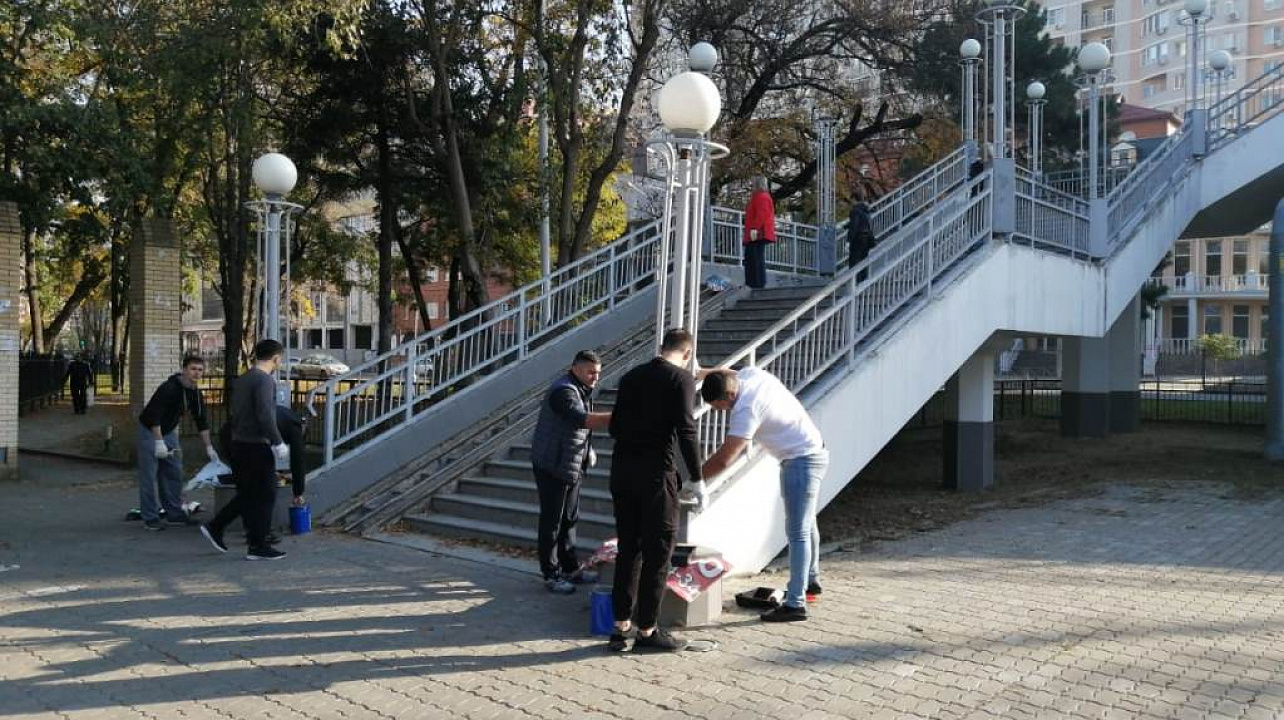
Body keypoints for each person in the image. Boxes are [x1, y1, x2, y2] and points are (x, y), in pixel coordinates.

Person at [699, 366, 827, 622]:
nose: (720, 412)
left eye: (719, 407)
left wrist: (692, 479)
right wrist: (702, 372)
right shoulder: (750, 375)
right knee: (806, 522)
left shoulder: (746, 409)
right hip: (811, 453)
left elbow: (726, 459)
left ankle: (795, 605)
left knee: (797, 530)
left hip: (800, 460)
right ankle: (810, 581)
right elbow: (727, 371)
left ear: (729, 397)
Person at [606, 328, 702, 653]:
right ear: (686, 354)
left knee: (628, 549)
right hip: (655, 476)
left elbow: (615, 426)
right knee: (658, 552)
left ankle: (620, 629)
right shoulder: (682, 380)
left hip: (622, 472)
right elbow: (686, 429)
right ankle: (647, 630)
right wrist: (698, 477)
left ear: (662, 347)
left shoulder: (631, 376)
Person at [530, 350, 612, 594]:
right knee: (552, 522)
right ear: (575, 368)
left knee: (569, 519)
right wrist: (620, 416)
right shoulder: (563, 391)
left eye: (598, 373)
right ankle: (551, 574)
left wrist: (589, 451)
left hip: (570, 464)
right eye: (590, 372)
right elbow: (580, 419)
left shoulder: (580, 389)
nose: (595, 377)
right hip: (553, 465)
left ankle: (570, 569)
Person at [201, 340, 290, 561]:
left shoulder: (244, 379)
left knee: (249, 495)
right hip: (256, 446)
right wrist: (278, 441)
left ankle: (225, 530)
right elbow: (264, 415)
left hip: (238, 444)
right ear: (276, 358)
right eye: (280, 359)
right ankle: (256, 544)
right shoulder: (264, 380)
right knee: (266, 494)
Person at [137, 355, 218, 531]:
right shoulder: (168, 388)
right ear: (184, 370)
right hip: (151, 430)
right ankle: (150, 517)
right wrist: (159, 443)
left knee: (174, 471)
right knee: (149, 476)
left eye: (200, 370)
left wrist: (209, 447)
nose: (197, 373)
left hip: (168, 432)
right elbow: (154, 416)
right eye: (193, 369)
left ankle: (174, 514)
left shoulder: (195, 394)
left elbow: (201, 421)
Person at [742, 176, 777, 289]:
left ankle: (756, 283)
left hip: (758, 233)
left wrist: (754, 229)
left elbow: (762, 215)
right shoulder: (761, 197)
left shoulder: (761, 197)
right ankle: (754, 283)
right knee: (753, 258)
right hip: (758, 232)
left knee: (755, 259)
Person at [846, 201, 875, 281]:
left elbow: (854, 226)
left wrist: (849, 240)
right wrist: (845, 226)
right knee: (863, 259)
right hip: (866, 239)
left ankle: (854, 280)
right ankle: (863, 279)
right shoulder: (866, 213)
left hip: (858, 239)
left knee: (854, 260)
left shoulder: (855, 211)